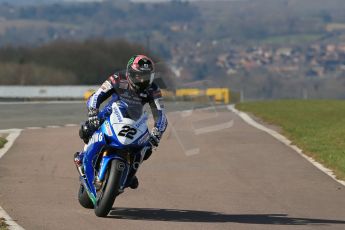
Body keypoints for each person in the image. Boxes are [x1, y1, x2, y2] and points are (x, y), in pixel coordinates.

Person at [74, 54, 168, 189]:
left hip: (135, 121)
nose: (142, 80)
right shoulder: (117, 78)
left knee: (147, 148)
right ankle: (84, 158)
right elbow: (97, 96)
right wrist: (93, 112)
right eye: (139, 75)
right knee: (86, 129)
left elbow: (161, 114)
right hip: (110, 113)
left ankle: (130, 170)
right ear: (130, 72)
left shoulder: (153, 90)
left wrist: (157, 133)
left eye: (147, 76)